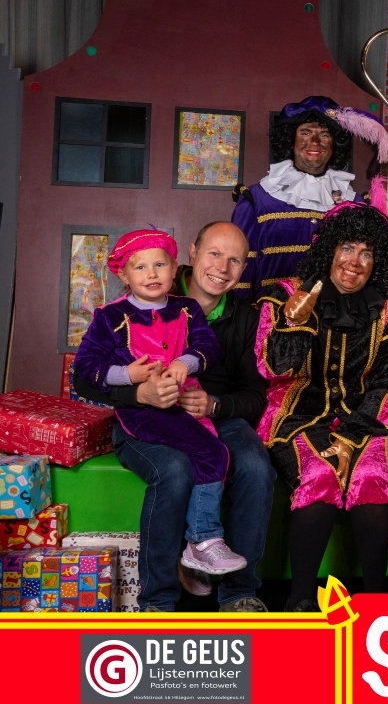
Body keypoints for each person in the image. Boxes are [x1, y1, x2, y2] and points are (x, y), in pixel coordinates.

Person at [76, 222, 274, 612]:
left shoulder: (245, 316)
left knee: (254, 466)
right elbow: (86, 378)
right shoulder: (133, 304)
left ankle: (238, 592)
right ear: (192, 253)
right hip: (144, 416)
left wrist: (214, 405)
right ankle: (158, 600)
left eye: (235, 260)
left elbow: (255, 395)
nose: (222, 267)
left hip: (214, 416)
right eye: (214, 254)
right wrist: (138, 391)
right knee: (174, 469)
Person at [256, 202, 388, 612]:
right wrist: (295, 323)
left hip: (370, 419)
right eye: (346, 248)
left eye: (366, 253)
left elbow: (386, 385)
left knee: (371, 479)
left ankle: (376, 605)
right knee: (319, 476)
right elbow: (274, 369)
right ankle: (301, 600)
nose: (354, 262)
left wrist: (350, 438)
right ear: (329, 250)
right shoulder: (285, 294)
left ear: (378, 261)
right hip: (297, 415)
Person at [232, 96, 388, 300]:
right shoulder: (256, 199)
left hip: (333, 315)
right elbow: (240, 270)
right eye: (305, 132)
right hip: (270, 312)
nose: (315, 142)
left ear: (335, 143)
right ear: (291, 139)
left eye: (324, 135)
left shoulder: (356, 204)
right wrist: (247, 316)